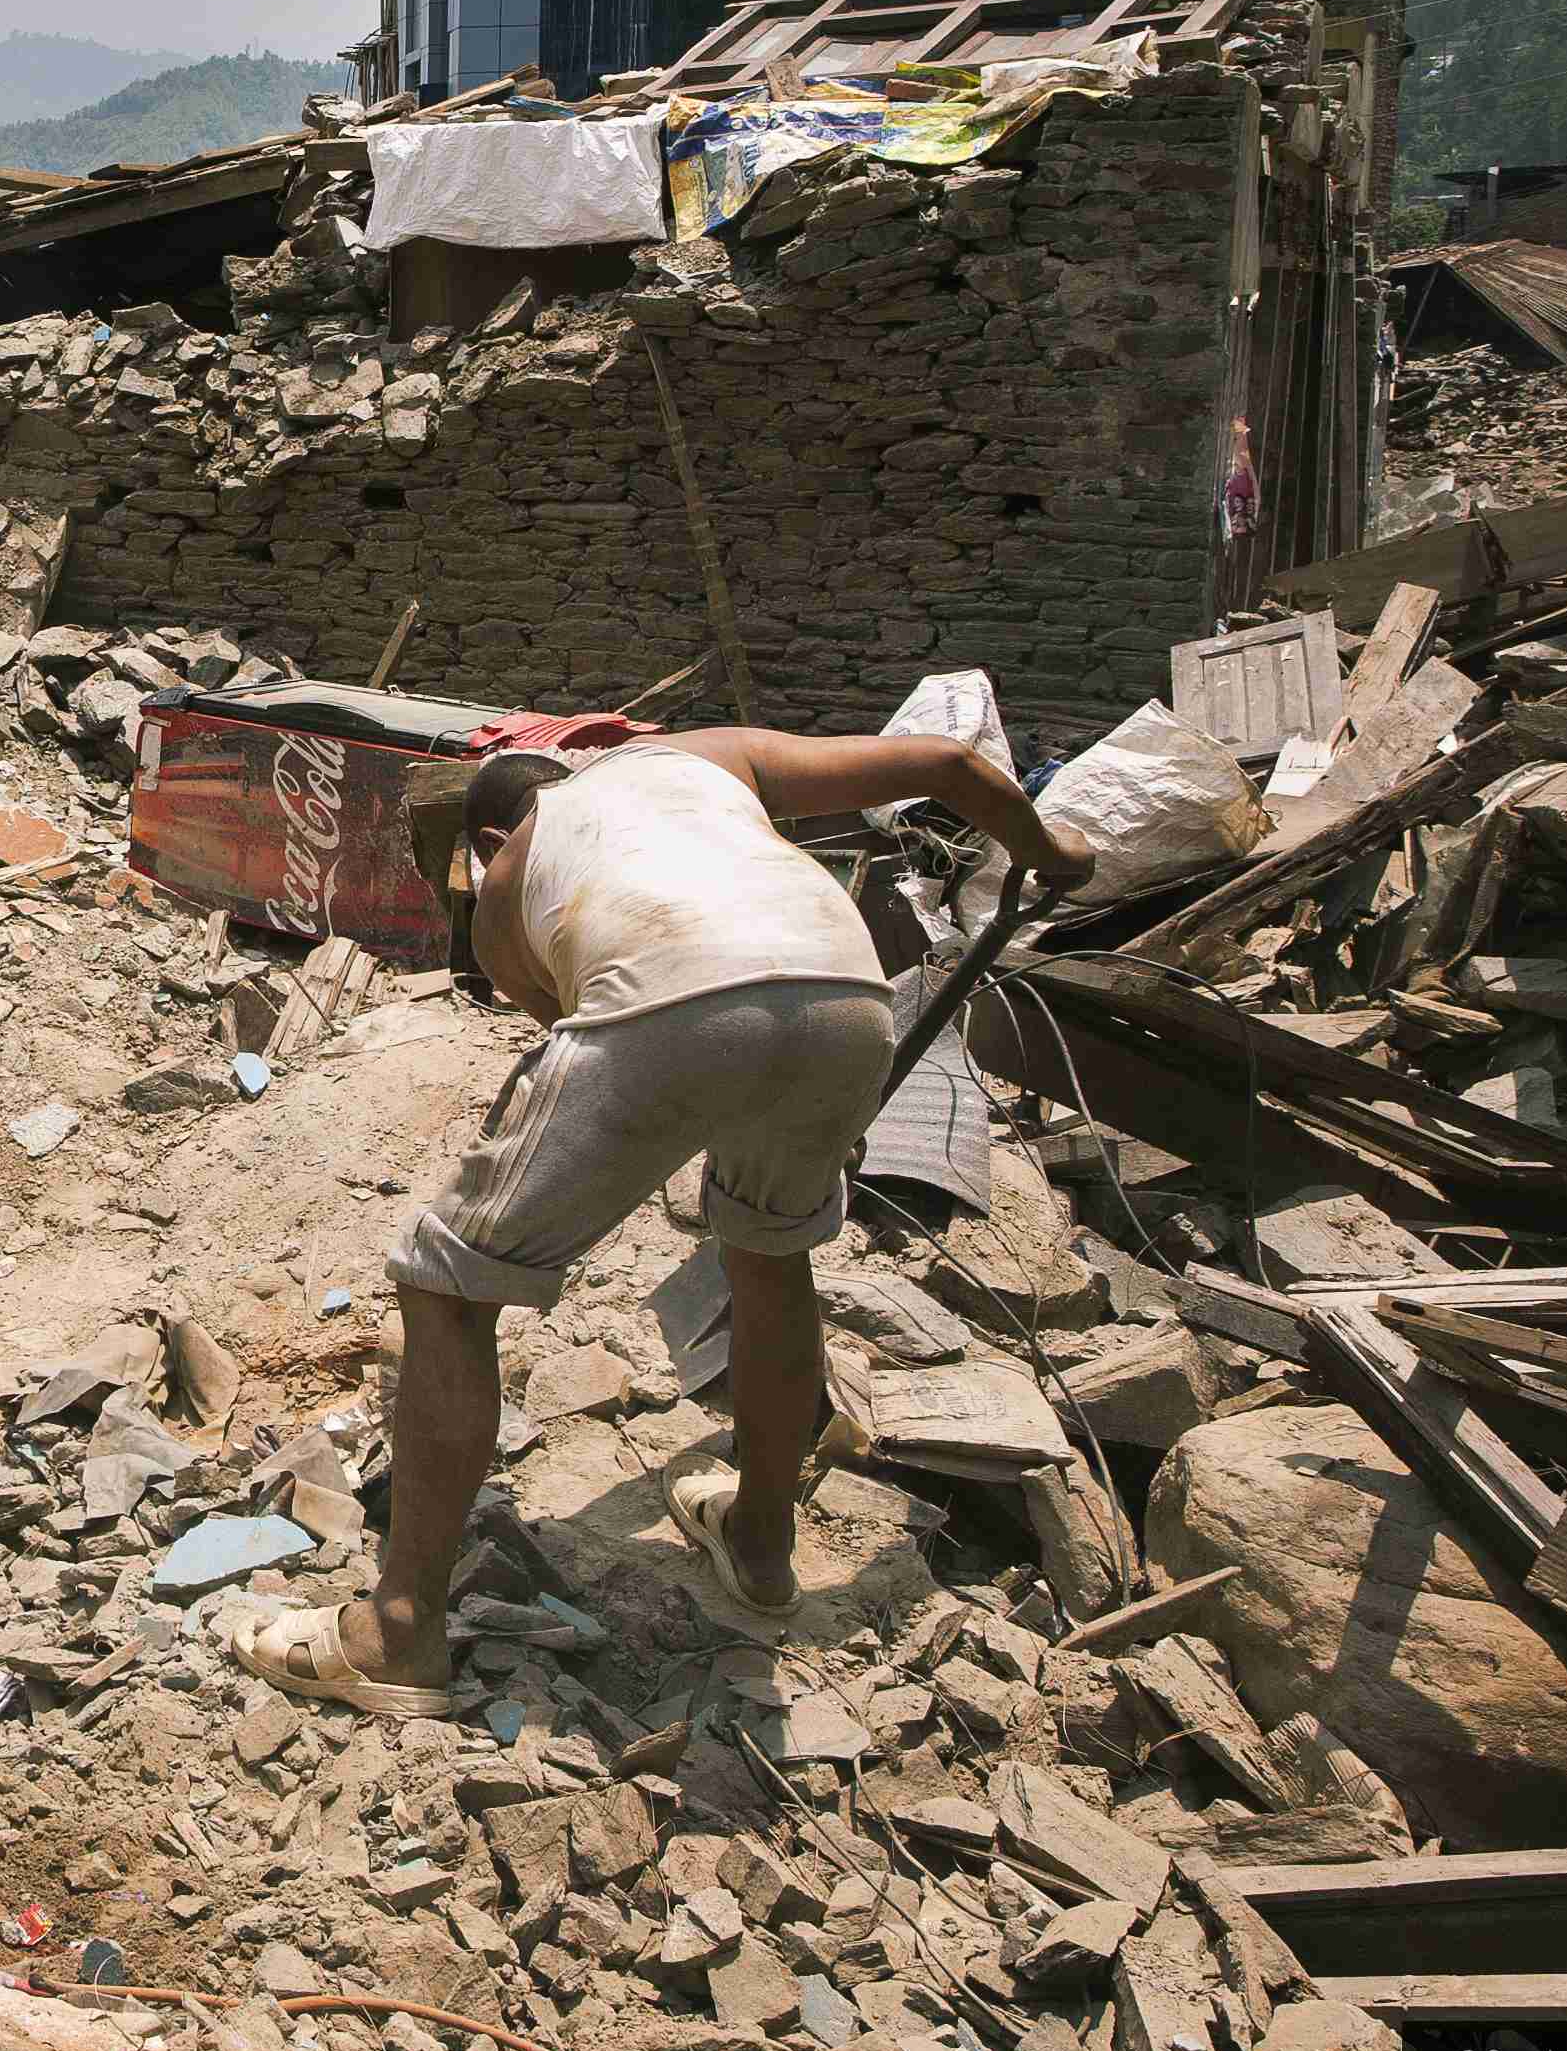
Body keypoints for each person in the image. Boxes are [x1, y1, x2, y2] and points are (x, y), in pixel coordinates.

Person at [233, 727, 1093, 1714]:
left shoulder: (514, 860)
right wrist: (1053, 853)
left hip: (681, 989)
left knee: (447, 1282)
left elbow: (574, 1029)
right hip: (849, 993)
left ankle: (394, 1632)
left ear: (490, 830)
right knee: (771, 1256)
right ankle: (761, 1545)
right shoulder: (713, 759)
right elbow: (948, 764)